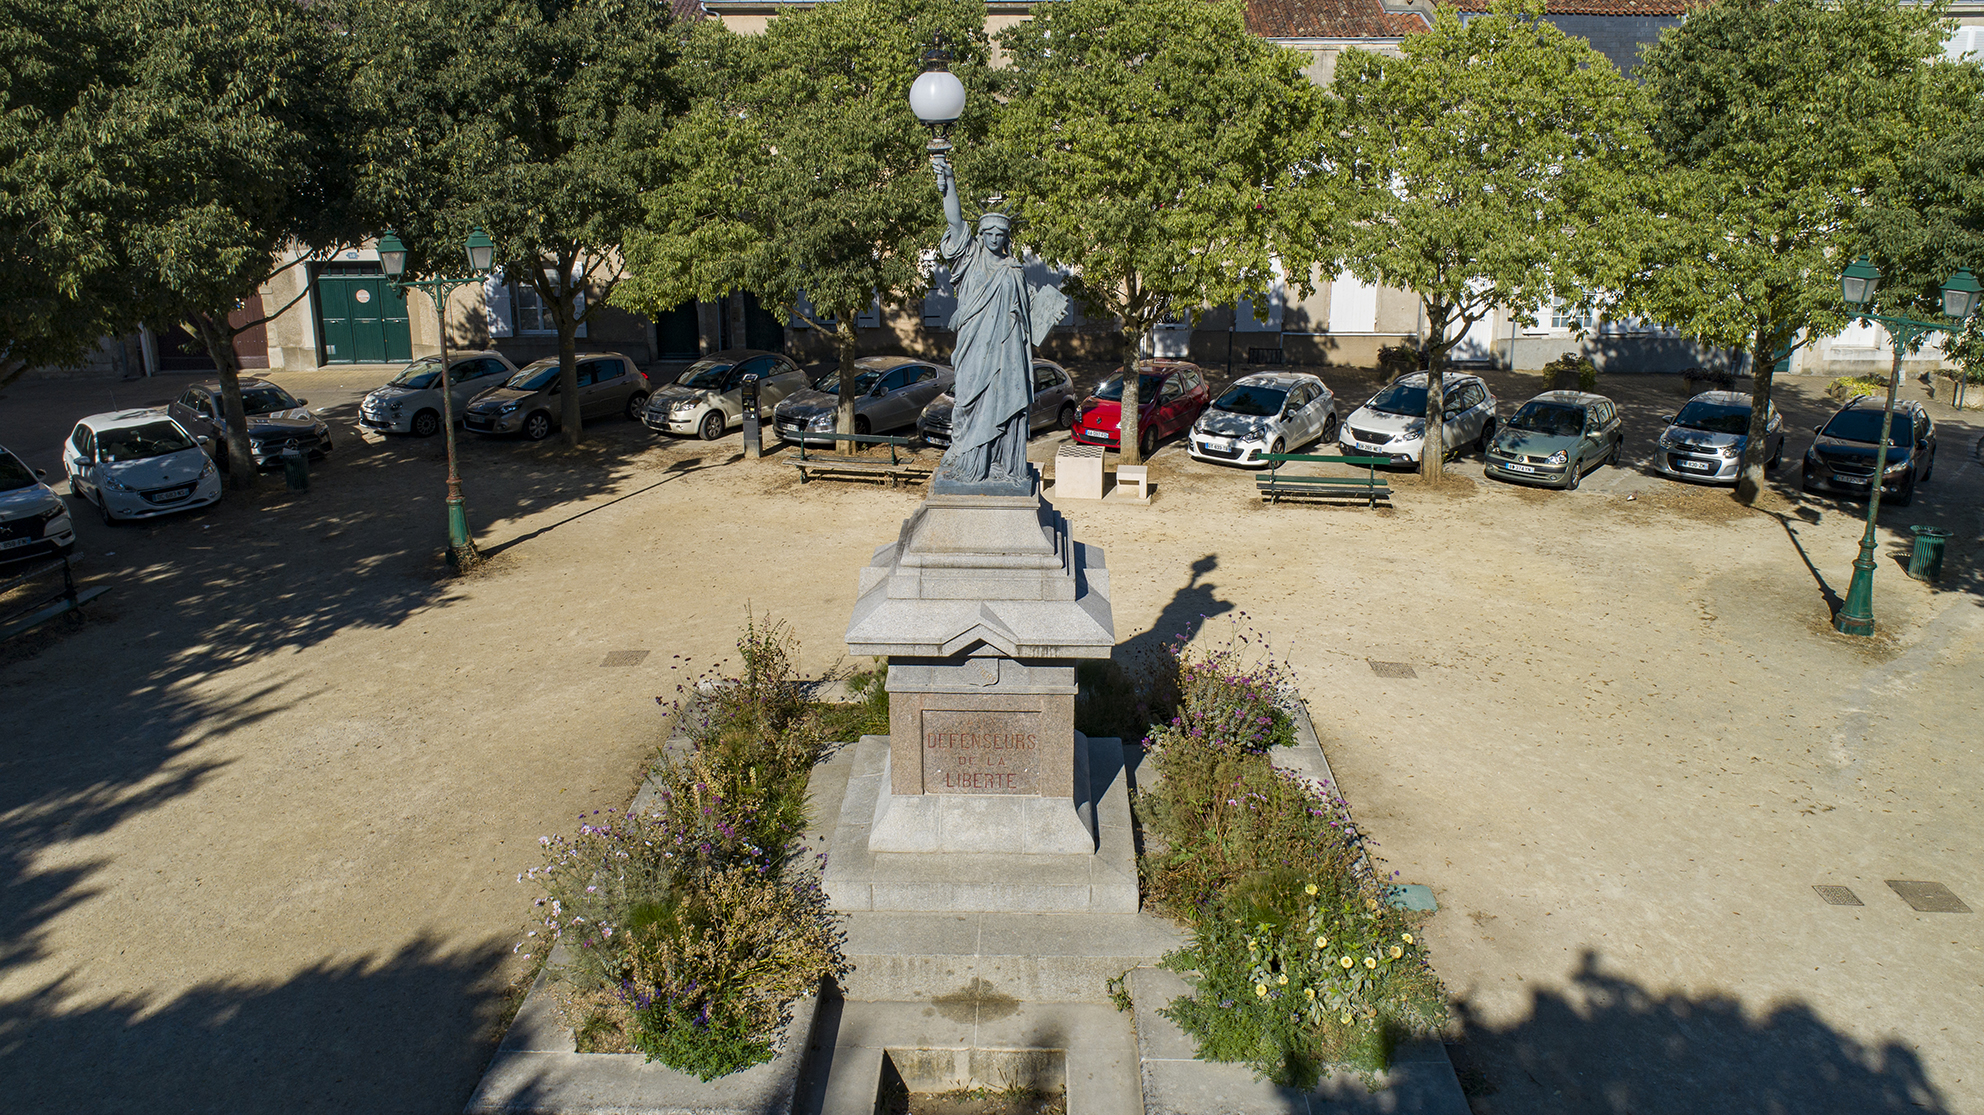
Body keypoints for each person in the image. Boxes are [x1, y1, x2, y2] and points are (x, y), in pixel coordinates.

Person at [930, 152, 1065, 494]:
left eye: (999, 234)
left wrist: (1048, 310)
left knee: (1005, 404)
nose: (992, 238)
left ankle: (1002, 464)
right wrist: (948, 184)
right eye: (987, 232)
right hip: (974, 350)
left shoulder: (1015, 270)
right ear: (981, 235)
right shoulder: (971, 259)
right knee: (968, 404)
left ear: (1006, 238)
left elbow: (1029, 318)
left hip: (1007, 357)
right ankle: (968, 459)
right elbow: (955, 221)